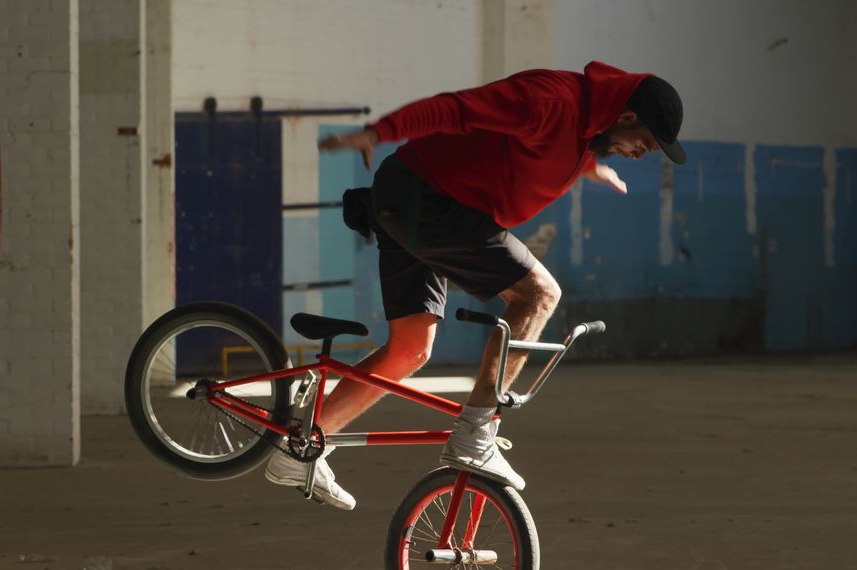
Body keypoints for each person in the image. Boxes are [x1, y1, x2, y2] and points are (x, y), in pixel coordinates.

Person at [265, 61, 685, 510]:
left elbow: (559, 145)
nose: (640, 154)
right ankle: (477, 433)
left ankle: (299, 447)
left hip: (415, 198)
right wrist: (380, 130)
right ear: (625, 116)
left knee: (411, 349)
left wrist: (587, 169)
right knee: (539, 294)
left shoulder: (585, 130)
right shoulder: (549, 100)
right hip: (428, 201)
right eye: (644, 143)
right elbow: (456, 109)